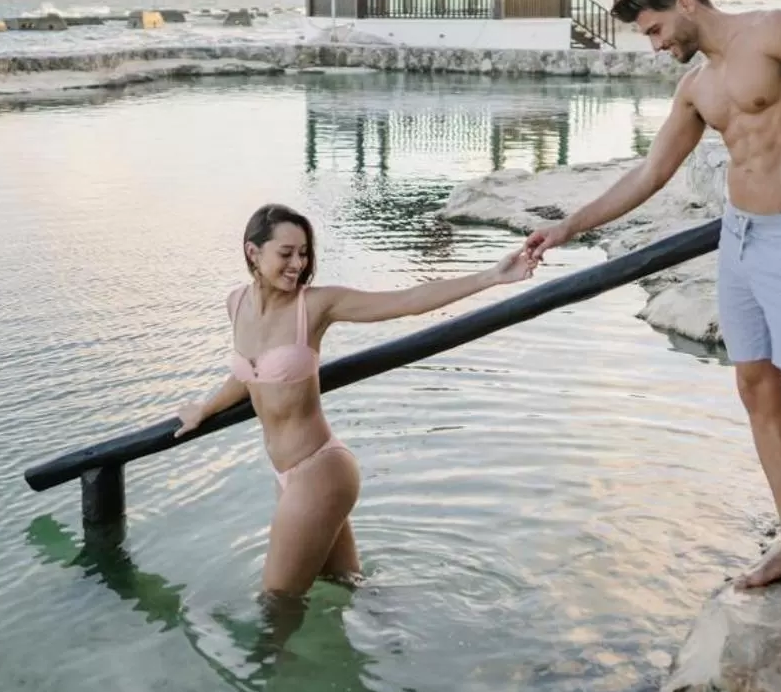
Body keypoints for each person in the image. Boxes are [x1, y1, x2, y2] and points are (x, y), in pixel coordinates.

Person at [525, 0, 781, 588]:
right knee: (754, 387)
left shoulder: (775, 31)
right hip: (739, 237)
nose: (657, 45)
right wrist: (569, 226)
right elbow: (649, 173)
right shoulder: (697, 87)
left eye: (656, 30)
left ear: (685, 4)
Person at [175, 203, 539, 599]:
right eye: (286, 253)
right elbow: (249, 375)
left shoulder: (314, 305)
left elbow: (407, 300)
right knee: (349, 589)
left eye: (303, 252)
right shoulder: (237, 304)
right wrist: (204, 409)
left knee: (276, 604)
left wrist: (492, 276)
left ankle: (267, 664)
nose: (298, 263)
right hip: (288, 476)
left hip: (319, 469)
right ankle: (390, 639)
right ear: (252, 252)